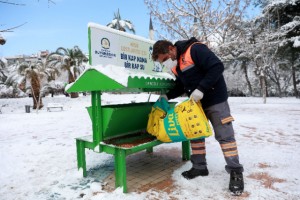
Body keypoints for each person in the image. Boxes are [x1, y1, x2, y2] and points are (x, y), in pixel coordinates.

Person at [152, 37, 244, 195]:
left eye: (165, 59)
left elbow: (216, 66)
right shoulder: (177, 65)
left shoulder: (194, 49)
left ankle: (235, 171)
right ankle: (199, 167)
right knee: (195, 133)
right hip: (197, 104)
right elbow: (180, 85)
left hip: (215, 100)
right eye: (162, 62)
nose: (166, 63)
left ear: (171, 49)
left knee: (224, 135)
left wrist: (201, 88)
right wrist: (167, 96)